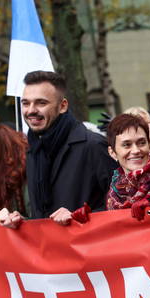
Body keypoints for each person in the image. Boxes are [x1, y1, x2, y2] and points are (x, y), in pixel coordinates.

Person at [21, 71, 117, 225]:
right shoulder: (33, 151)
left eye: (41, 103)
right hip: (49, 248)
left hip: (90, 246)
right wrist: (21, 222)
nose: (31, 110)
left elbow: (121, 205)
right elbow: (40, 215)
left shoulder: (93, 145)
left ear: (63, 106)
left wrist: (78, 216)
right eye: (25, 103)